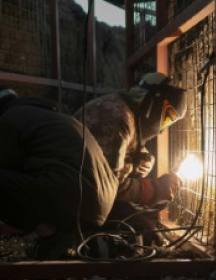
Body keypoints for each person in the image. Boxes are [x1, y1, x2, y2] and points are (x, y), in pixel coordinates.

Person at [0, 85, 117, 259]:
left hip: (74, 198)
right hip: (98, 208)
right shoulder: (49, 116)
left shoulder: (8, 121)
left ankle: (52, 235)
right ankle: (74, 236)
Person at [73, 72, 186, 245]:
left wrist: (134, 160)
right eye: (166, 118)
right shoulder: (120, 121)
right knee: (139, 228)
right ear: (152, 103)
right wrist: (153, 190)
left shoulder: (120, 106)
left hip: (76, 185)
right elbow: (107, 189)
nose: (161, 130)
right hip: (73, 197)